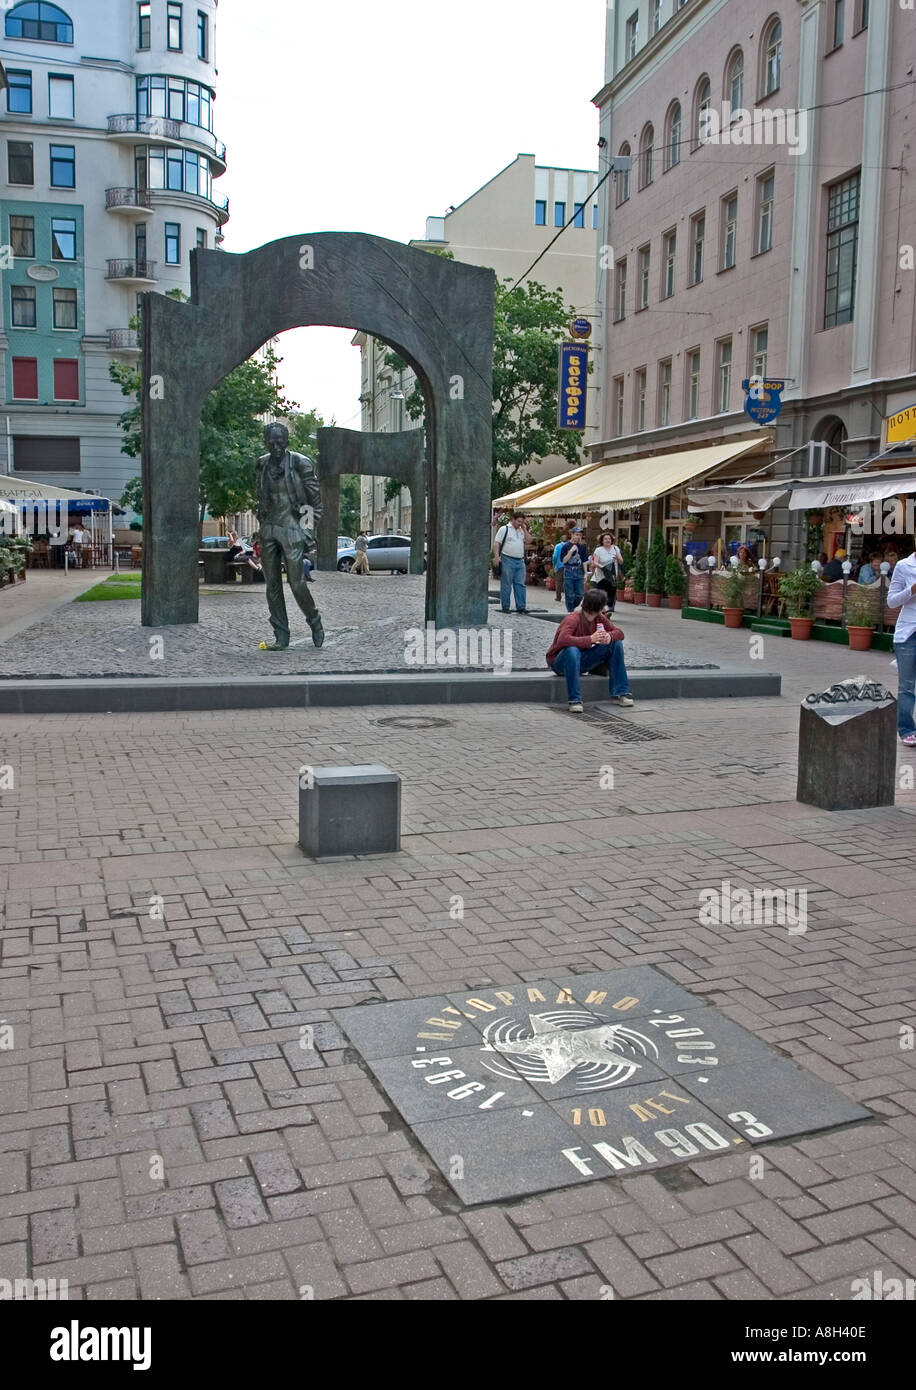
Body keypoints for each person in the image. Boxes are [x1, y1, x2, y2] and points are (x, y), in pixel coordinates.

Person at [255, 421, 324, 649]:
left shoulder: (300, 463)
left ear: (287, 442)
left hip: (293, 529)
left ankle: (314, 619)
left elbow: (315, 502)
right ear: (266, 442)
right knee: (272, 585)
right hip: (269, 529)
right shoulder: (262, 464)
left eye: (280, 442)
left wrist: (307, 532)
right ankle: (281, 635)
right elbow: (261, 497)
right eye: (271, 442)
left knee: (297, 583)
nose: (275, 446)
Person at [547, 587, 634, 713]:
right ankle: (575, 700)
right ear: (597, 608)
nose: (604, 609)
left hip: (582, 660)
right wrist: (590, 639)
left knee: (616, 643)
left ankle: (620, 693)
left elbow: (619, 633)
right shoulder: (573, 619)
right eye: (603, 606)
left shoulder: (599, 618)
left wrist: (609, 637)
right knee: (572, 649)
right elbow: (563, 640)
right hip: (561, 663)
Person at [887, 545, 916, 745]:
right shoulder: (903, 566)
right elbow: (891, 601)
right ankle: (906, 730)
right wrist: (912, 590)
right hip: (908, 634)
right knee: (906, 686)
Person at [493, 511, 530, 613]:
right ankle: (505, 607)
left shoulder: (521, 530)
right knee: (506, 584)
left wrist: (525, 530)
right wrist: (496, 557)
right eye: (518, 521)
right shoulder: (504, 529)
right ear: (513, 519)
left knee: (520, 584)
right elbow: (497, 543)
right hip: (507, 559)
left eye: (522, 522)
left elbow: (529, 540)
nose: (520, 524)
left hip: (520, 560)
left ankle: (521, 606)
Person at [591, 531, 623, 613]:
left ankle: (605, 611)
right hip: (601, 576)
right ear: (602, 541)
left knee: (611, 596)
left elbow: (621, 561)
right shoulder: (599, 550)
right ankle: (603, 612)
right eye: (605, 539)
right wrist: (602, 567)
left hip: (611, 576)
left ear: (612, 540)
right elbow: (595, 562)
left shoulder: (615, 549)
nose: (607, 540)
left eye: (609, 539)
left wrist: (618, 558)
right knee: (600, 595)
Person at [560, 526, 588, 612]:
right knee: (569, 594)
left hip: (578, 571)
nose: (578, 537)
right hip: (569, 570)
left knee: (580, 594)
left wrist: (586, 573)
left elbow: (584, 560)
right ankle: (570, 611)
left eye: (580, 535)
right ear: (572, 534)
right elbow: (564, 561)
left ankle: (573, 607)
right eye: (576, 534)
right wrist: (571, 551)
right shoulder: (565, 546)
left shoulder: (582, 546)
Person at [551, 536, 566, 604]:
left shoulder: (558, 546)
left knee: (559, 582)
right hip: (568, 566)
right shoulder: (570, 546)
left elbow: (555, 556)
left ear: (560, 540)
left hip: (559, 566)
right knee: (567, 582)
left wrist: (554, 564)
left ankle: (558, 597)